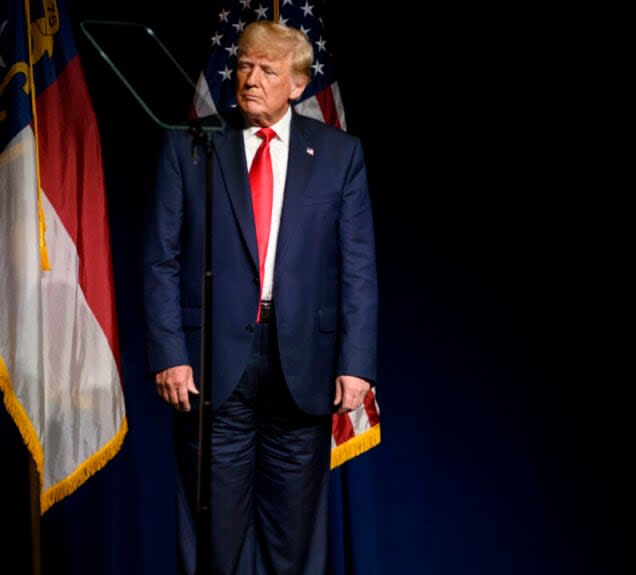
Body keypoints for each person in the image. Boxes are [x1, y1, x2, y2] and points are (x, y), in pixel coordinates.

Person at [142, 20, 378, 575]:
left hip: (304, 364)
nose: (250, 79)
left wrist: (357, 365)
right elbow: (159, 259)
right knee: (216, 534)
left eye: (268, 70)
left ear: (297, 84)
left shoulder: (340, 155)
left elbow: (359, 269)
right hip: (211, 364)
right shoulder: (190, 146)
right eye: (245, 65)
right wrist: (169, 352)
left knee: (292, 536)